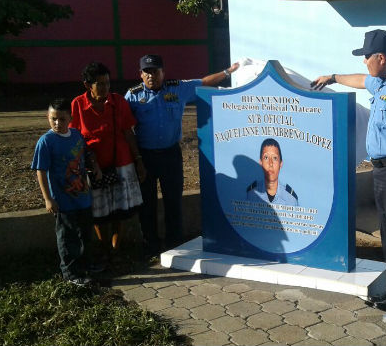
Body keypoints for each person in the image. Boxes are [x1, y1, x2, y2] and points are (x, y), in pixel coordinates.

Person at [311, 29, 386, 311]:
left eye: (366, 57)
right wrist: (333, 77)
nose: (364, 62)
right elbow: (360, 81)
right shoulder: (382, 80)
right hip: (382, 170)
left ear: (381, 57)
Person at [125, 54, 240, 257]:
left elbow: (203, 82)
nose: (152, 75)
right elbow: (125, 128)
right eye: (147, 72)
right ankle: (150, 244)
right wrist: (136, 160)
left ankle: (174, 244)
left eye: (155, 71)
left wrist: (227, 72)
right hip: (145, 158)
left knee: (173, 200)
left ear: (163, 72)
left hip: (170, 155)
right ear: (141, 74)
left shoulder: (178, 88)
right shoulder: (132, 96)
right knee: (147, 203)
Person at [71, 62, 145, 266]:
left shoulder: (118, 102)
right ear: (88, 85)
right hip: (94, 168)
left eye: (108, 83)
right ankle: (103, 248)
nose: (105, 88)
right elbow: (75, 136)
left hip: (121, 163)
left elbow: (128, 132)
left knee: (119, 210)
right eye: (100, 84)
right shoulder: (77, 104)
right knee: (99, 211)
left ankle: (115, 249)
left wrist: (138, 161)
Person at [32, 98, 100, 285]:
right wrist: (48, 199)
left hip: (83, 198)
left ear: (70, 118)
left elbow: (85, 155)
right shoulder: (46, 142)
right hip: (63, 201)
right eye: (53, 119)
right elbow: (41, 171)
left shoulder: (76, 135)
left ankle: (87, 263)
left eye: (62, 119)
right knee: (67, 237)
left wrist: (95, 166)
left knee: (85, 233)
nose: (57, 123)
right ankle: (70, 272)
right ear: (48, 117)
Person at [246, 138, 298, 206]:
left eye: (275, 158)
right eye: (266, 157)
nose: (270, 163)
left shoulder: (291, 198)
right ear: (261, 163)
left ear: (281, 164)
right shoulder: (251, 194)